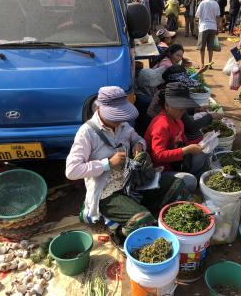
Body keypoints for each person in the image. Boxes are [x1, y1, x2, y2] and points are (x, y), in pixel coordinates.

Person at [66, 86, 190, 244]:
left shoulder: (123, 126)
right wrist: (107, 164)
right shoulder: (87, 133)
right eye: (115, 116)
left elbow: (139, 140)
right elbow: (71, 171)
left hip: (131, 185)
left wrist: (139, 147)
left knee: (178, 185)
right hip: (107, 193)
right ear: (100, 109)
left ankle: (136, 212)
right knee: (143, 220)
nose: (119, 120)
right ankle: (120, 230)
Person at [144, 82, 210, 192]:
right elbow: (158, 156)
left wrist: (201, 141)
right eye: (179, 108)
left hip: (176, 163)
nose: (183, 111)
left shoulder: (177, 119)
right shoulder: (161, 124)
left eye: (184, 107)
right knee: (190, 181)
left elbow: (183, 141)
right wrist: (186, 150)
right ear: (166, 105)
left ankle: (188, 180)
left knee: (204, 154)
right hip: (160, 171)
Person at [196, 0, 221, 67]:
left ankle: (202, 64)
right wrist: (217, 28)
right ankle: (210, 64)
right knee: (210, 47)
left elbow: (197, 15)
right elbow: (218, 17)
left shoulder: (202, 3)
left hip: (203, 27)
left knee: (202, 47)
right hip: (213, 27)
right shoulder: (216, 3)